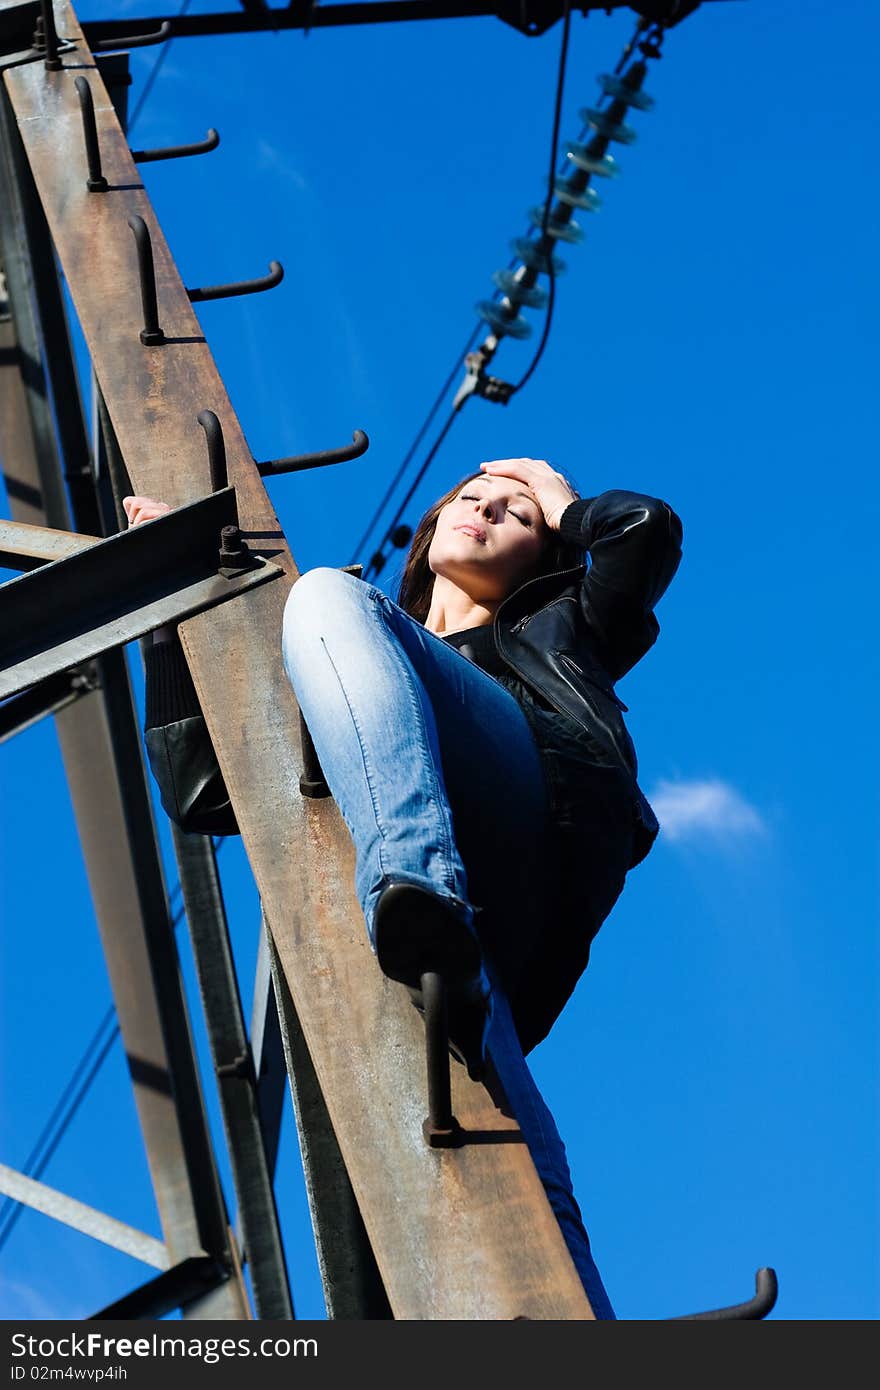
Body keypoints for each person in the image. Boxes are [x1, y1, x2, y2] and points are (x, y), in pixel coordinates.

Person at [124, 458, 682, 1318]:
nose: (488, 506)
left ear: (546, 553)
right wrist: (165, 615)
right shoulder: (350, 669)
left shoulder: (565, 622)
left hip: (525, 813)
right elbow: (202, 787)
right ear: (433, 528)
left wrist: (555, 490)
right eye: (471, 495)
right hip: (453, 935)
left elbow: (643, 529)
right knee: (517, 1162)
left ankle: (417, 889)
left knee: (323, 597)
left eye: (517, 512)